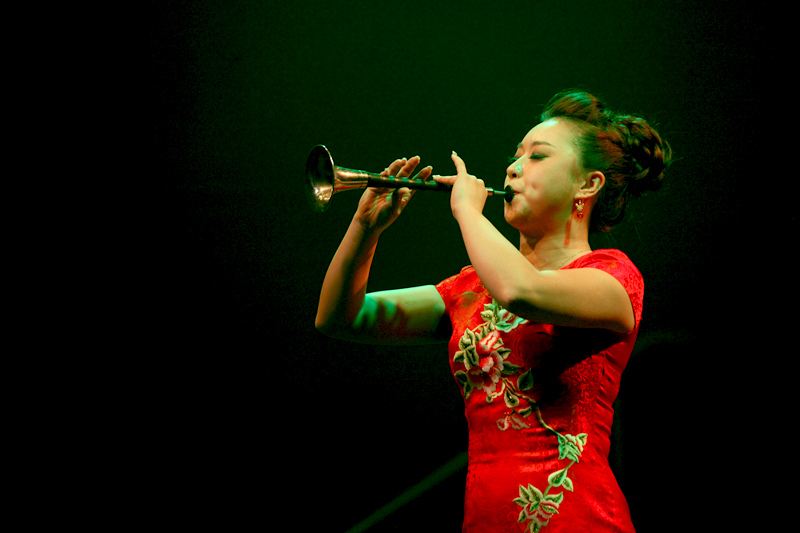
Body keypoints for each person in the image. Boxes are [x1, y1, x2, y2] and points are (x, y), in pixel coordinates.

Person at [315, 90, 671, 532]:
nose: (513, 167)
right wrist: (364, 228)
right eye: (516, 154)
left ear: (588, 184)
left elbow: (522, 292)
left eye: (538, 156)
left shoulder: (613, 277)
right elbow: (340, 318)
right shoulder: (471, 289)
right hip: (484, 518)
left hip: (577, 517)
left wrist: (467, 211)